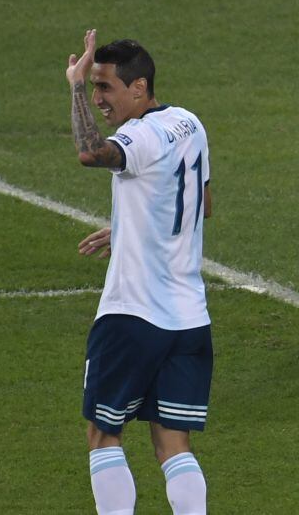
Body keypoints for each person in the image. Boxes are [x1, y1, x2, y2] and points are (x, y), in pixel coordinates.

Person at [67, 29, 212, 515]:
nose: (98, 97)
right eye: (92, 86)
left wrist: (71, 87)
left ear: (139, 87)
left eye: (105, 87)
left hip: (132, 315)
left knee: (103, 436)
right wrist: (128, 225)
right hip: (189, 318)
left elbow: (92, 153)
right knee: (173, 443)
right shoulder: (190, 123)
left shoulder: (140, 134)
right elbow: (201, 205)